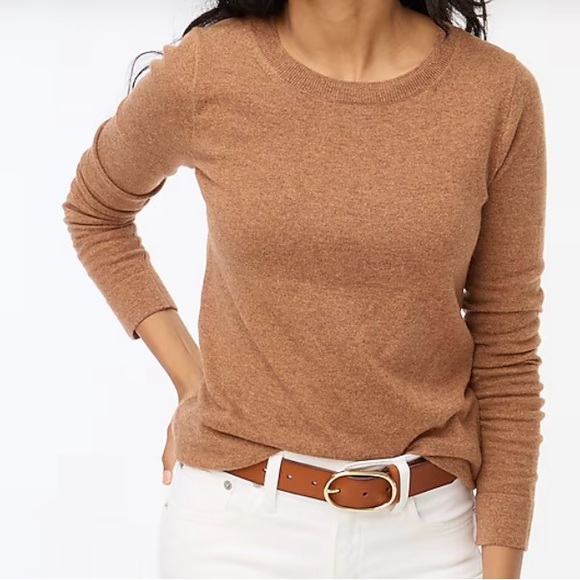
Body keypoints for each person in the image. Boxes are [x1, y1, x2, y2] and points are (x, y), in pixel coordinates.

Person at [62, 0, 547, 578]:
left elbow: (507, 348)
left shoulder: (496, 92)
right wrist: (192, 379)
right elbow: (95, 212)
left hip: (431, 538)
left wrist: (502, 564)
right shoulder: (210, 68)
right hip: (232, 534)